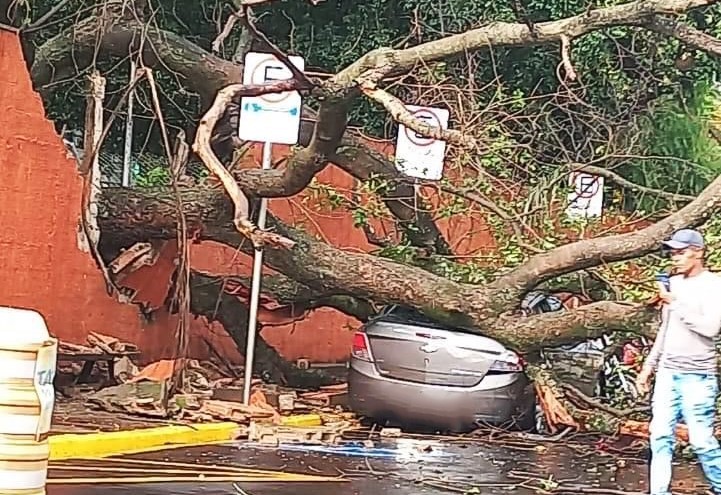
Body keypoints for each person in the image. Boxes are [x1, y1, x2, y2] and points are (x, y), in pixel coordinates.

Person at [635, 228, 721, 495]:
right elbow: (666, 329)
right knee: (659, 435)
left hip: (698, 375)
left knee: (701, 441)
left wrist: (675, 302)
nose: (675, 258)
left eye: (681, 253)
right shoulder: (676, 284)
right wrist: (648, 367)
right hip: (668, 372)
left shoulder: (714, 285)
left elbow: (711, 328)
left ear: (698, 252)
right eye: (672, 253)